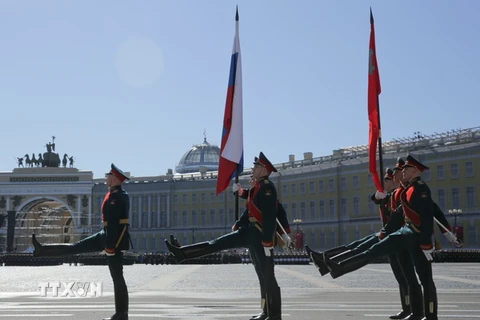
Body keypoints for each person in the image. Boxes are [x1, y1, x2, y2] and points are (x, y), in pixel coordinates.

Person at [165, 152, 283, 320]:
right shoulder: (258, 187)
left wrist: (267, 240)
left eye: (256, 166)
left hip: (258, 235)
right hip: (251, 232)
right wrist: (240, 200)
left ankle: (275, 315)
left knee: (267, 275)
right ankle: (266, 312)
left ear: (264, 169)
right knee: (261, 274)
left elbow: (270, 215)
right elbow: (250, 207)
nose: (253, 168)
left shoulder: (267, 188)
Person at [324, 155, 441, 320]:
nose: (403, 172)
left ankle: (429, 315)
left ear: (416, 170)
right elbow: (397, 214)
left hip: (415, 235)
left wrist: (427, 242)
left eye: (406, 169)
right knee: (379, 253)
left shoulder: (420, 189)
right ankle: (416, 313)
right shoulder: (408, 189)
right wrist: (386, 231)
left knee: (425, 278)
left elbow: (428, 216)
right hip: (406, 233)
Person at [32, 164, 131, 320]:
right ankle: (42, 250)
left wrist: (111, 246)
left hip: (112, 239)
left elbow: (115, 224)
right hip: (105, 235)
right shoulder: (115, 194)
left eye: (108, 175)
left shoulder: (117, 196)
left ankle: (121, 314)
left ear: (114, 178)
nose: (105, 177)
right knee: (75, 248)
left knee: (117, 277)